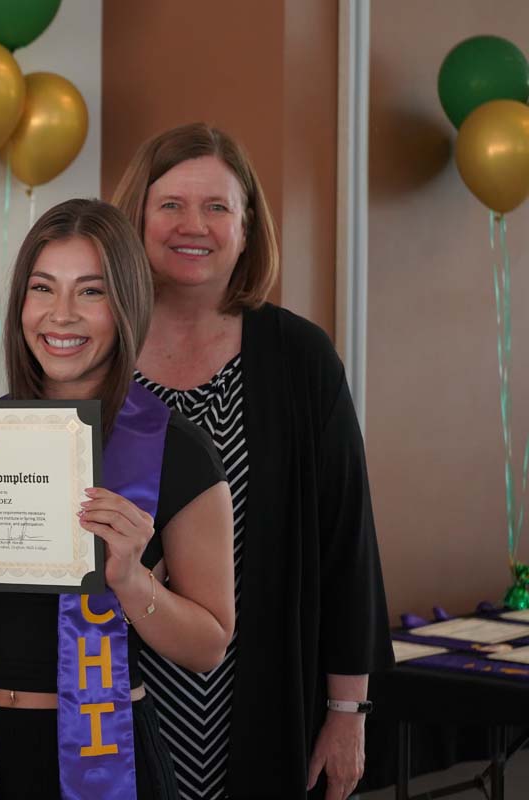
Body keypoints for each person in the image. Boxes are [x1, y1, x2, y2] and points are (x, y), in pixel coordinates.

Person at [0, 198, 235, 799]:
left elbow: (209, 646)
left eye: (91, 292)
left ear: (126, 305)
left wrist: (132, 579)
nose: (61, 315)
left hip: (107, 756)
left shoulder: (177, 451)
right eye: (43, 288)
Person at [111, 123, 393, 800]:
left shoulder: (300, 359)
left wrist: (347, 711)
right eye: (171, 204)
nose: (194, 225)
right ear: (137, 217)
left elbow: (345, 544)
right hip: (108, 694)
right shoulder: (96, 352)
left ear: (246, 227)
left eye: (217, 207)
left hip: (260, 696)